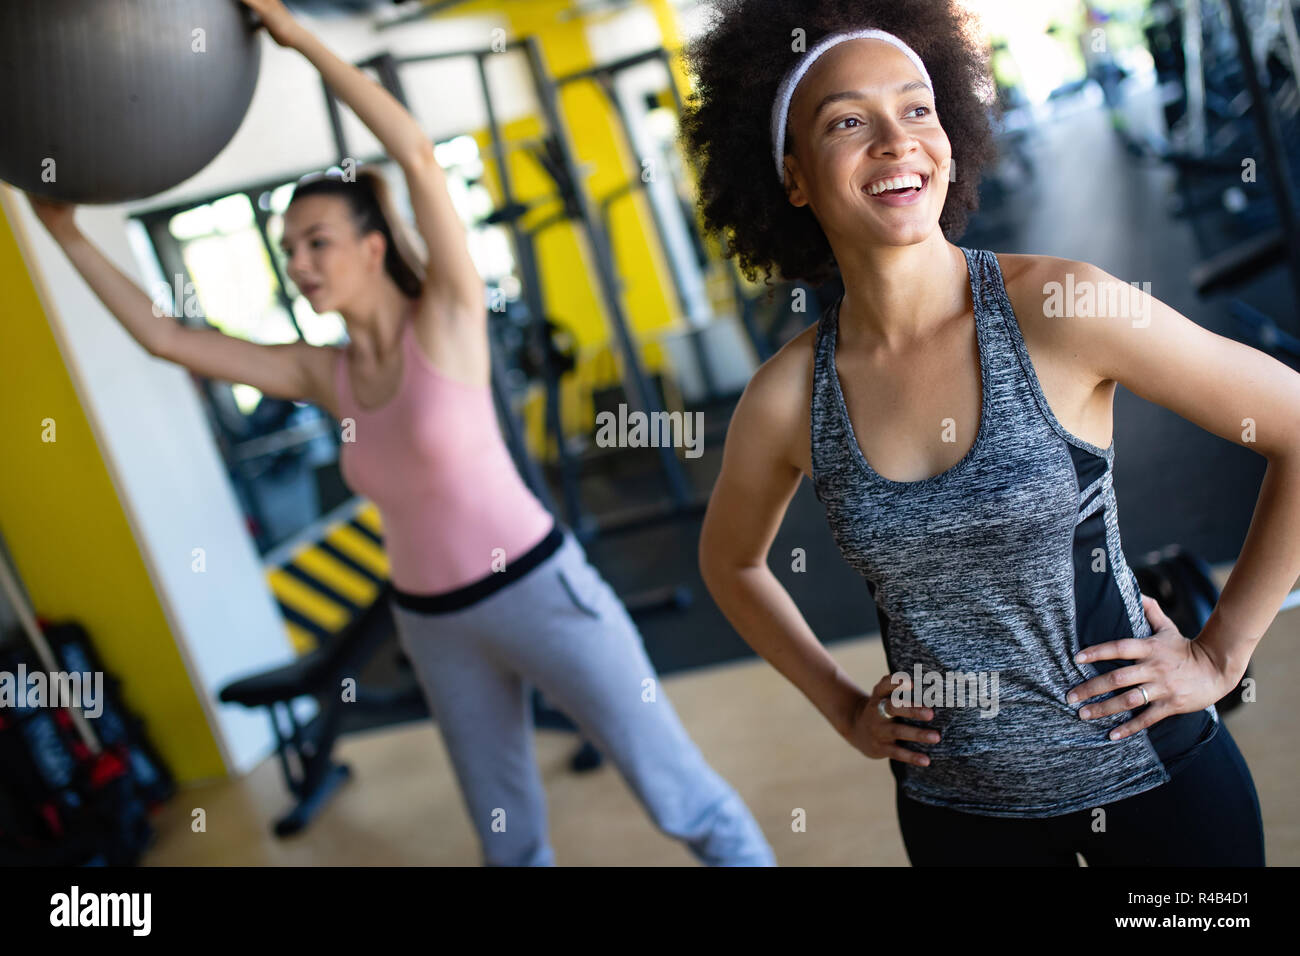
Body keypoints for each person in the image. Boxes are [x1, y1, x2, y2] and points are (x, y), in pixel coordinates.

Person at [25, 0, 774, 868]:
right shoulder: (322, 373)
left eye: (316, 243)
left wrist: (299, 36)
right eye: (289, 249)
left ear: (376, 246)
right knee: (509, 840)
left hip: (541, 593)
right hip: (432, 627)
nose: (299, 265)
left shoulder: (446, 319)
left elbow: (416, 153)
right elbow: (168, 338)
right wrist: (66, 234)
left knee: (679, 795)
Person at [683, 0, 1294, 866]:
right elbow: (731, 562)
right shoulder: (789, 397)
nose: (897, 142)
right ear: (793, 177)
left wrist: (1223, 652)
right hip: (954, 818)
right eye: (849, 122)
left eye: (917, 108)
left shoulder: (1060, 308)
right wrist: (846, 707)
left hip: (1158, 792)